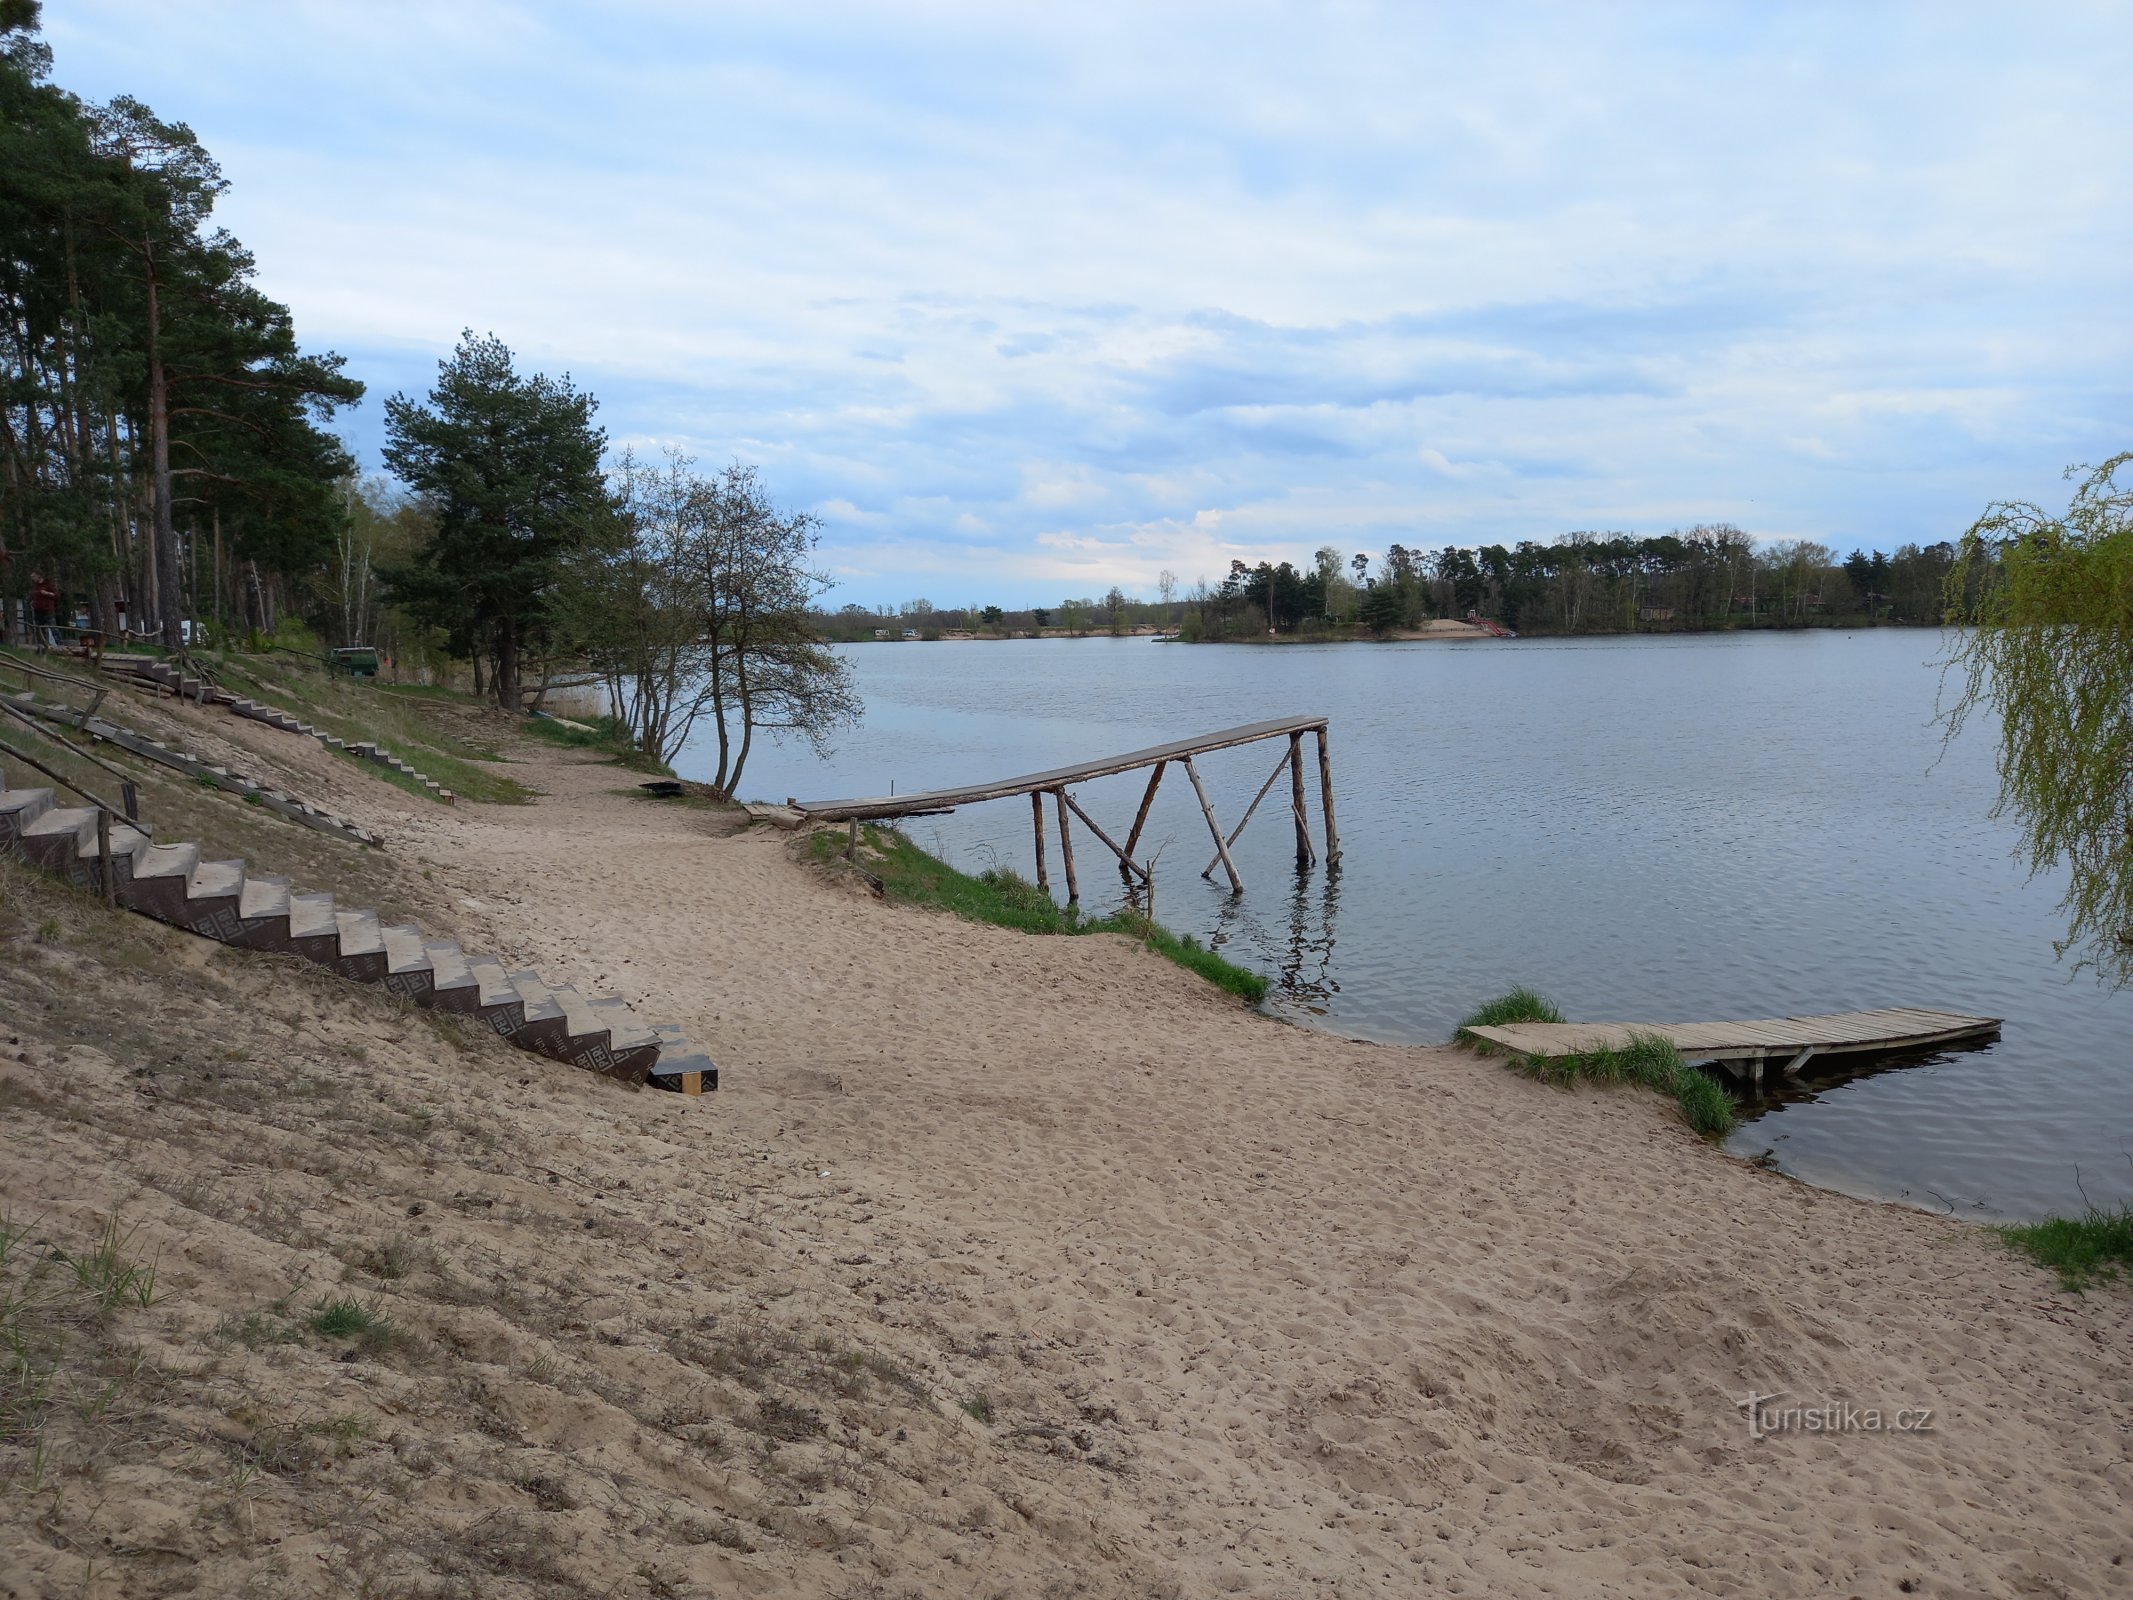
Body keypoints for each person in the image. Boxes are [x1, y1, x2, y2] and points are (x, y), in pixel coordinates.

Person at [29, 571, 58, 651]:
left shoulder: (48, 584)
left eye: (33, 577)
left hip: (48, 610)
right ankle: (43, 646)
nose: (32, 579)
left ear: (38, 576)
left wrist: (47, 593)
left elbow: (56, 595)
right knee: (40, 629)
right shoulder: (35, 586)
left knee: (52, 627)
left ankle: (59, 645)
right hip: (38, 610)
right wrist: (33, 602)